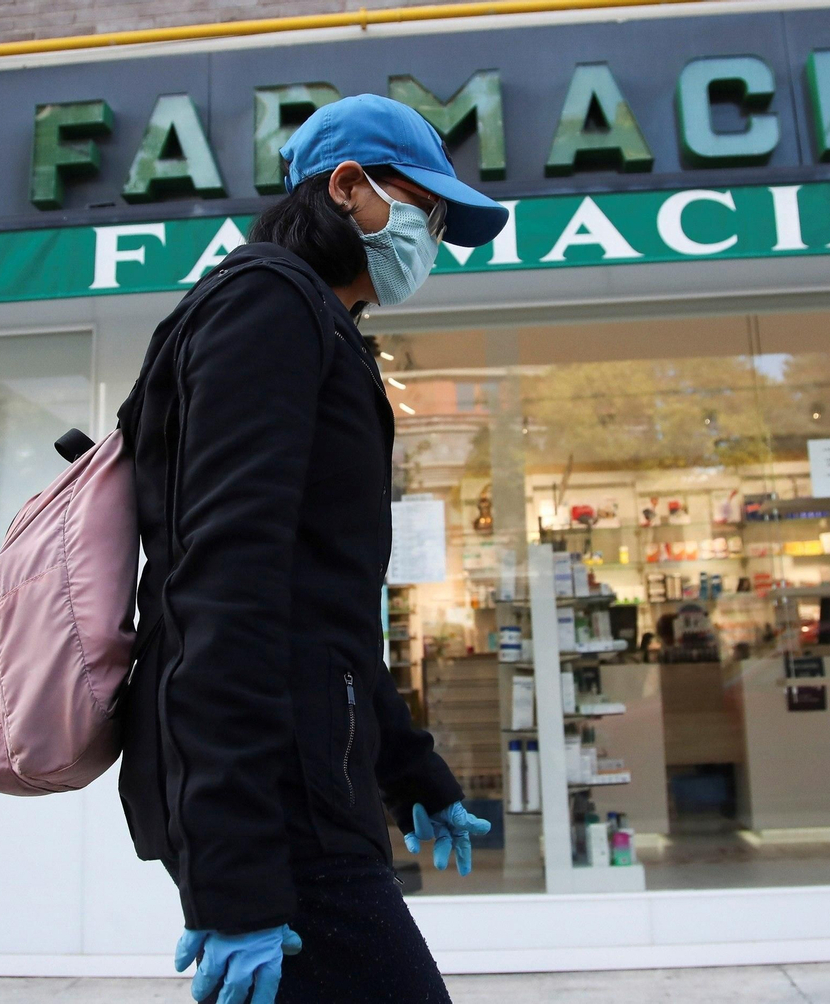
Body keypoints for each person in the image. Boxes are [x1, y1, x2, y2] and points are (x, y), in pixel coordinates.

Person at [114, 94, 509, 1004]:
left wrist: (410, 769)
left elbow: (321, 610)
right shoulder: (268, 309)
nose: (433, 238)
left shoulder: (317, 326)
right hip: (280, 804)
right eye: (426, 210)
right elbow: (221, 591)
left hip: (306, 782)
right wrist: (239, 876)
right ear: (347, 188)